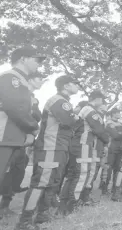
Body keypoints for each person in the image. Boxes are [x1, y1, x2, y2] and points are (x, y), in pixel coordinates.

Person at [15, 75, 79, 229]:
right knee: (41, 183)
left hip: (59, 147)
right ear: (66, 86)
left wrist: (74, 116)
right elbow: (69, 121)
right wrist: (75, 116)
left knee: (53, 182)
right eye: (75, 83)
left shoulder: (64, 102)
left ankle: (42, 216)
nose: (77, 86)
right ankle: (25, 220)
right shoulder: (59, 101)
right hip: (51, 146)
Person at [0, 71, 46, 219]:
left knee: (18, 171)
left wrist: (31, 132)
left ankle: (5, 205)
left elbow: (36, 116)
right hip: (6, 136)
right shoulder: (13, 93)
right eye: (39, 78)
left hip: (22, 140)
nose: (42, 82)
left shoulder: (34, 99)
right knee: (4, 170)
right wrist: (31, 126)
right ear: (30, 79)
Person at [0, 47, 43, 192]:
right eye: (36, 59)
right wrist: (32, 127)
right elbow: (14, 107)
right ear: (23, 59)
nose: (39, 63)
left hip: (11, 136)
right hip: (4, 135)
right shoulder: (11, 77)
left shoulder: (21, 80)